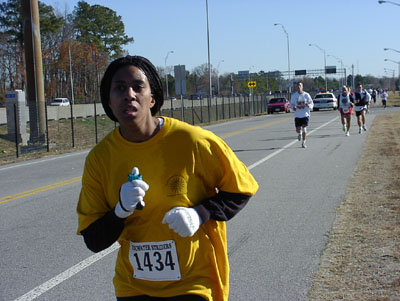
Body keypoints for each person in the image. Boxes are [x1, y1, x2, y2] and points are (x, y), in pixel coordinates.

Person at [76, 55, 258, 301]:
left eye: (138, 87)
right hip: (134, 287)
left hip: (193, 282)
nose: (129, 94)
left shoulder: (192, 140)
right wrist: (119, 211)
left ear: (152, 98)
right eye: (119, 88)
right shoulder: (99, 159)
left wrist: (199, 214)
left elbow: (241, 189)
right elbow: (94, 240)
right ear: (109, 101)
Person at [290, 81, 314, 148]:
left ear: (302, 87)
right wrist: (293, 108)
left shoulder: (306, 95)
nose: (299, 87)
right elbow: (291, 104)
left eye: (300, 85)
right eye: (298, 86)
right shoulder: (294, 96)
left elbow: (311, 103)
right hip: (297, 115)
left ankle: (303, 142)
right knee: (298, 129)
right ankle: (299, 133)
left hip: (305, 114)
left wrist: (309, 105)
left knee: (304, 128)